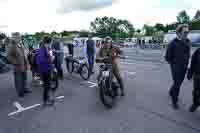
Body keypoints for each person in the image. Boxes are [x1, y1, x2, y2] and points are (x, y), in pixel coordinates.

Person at [165, 24, 191, 109]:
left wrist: (187, 64)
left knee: (178, 83)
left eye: (187, 32)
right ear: (179, 33)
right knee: (177, 84)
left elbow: (188, 54)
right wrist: (174, 65)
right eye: (185, 32)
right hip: (176, 67)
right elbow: (167, 57)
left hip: (184, 67)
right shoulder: (172, 44)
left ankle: (171, 91)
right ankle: (174, 101)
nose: (187, 34)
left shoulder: (188, 41)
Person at [7, 32, 31, 97]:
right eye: (18, 37)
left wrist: (27, 63)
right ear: (14, 38)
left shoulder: (20, 44)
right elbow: (9, 56)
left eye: (20, 37)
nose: (19, 38)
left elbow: (24, 54)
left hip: (24, 64)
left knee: (24, 78)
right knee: (18, 80)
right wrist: (16, 62)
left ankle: (25, 89)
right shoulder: (11, 45)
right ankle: (20, 92)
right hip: (18, 66)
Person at [37, 36, 54, 106]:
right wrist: (51, 59)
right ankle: (45, 101)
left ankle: (47, 98)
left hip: (47, 68)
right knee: (46, 86)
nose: (51, 44)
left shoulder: (46, 48)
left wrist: (50, 57)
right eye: (51, 42)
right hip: (45, 70)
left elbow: (47, 56)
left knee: (48, 85)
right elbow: (41, 60)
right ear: (48, 42)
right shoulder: (42, 49)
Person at [187, 48, 200, 112]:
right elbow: (192, 62)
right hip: (197, 75)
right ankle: (195, 104)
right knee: (196, 92)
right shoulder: (198, 51)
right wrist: (190, 73)